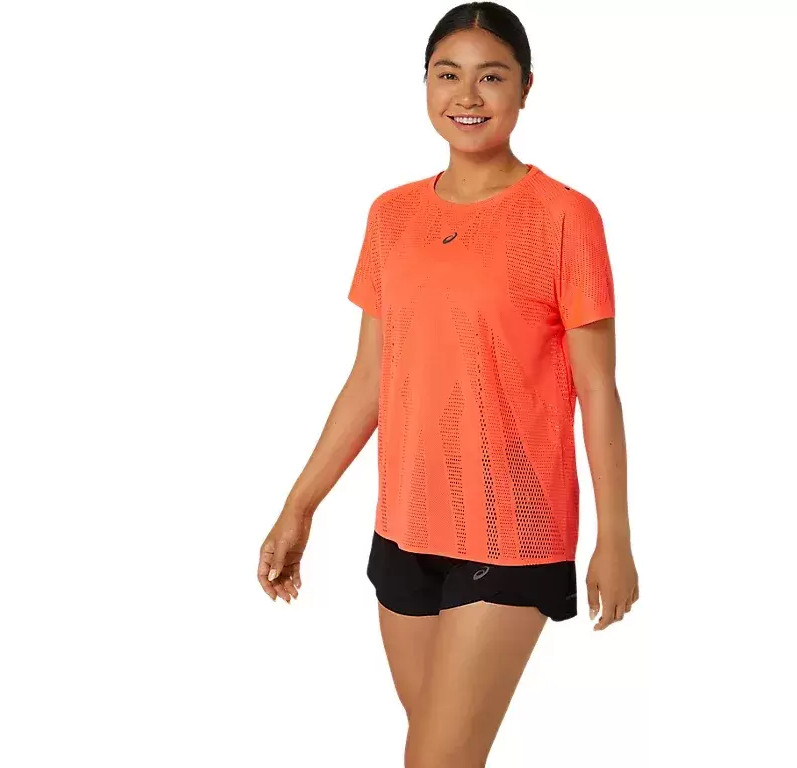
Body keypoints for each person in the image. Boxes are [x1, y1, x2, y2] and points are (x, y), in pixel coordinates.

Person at [256, 2, 639, 765]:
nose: (467, 95)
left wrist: (615, 538)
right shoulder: (391, 216)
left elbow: (598, 390)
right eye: (448, 75)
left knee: (435, 761)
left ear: (526, 87)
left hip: (513, 530)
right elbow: (370, 376)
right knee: (441, 753)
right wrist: (299, 506)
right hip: (404, 524)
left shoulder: (565, 217)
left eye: (491, 77)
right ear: (426, 84)